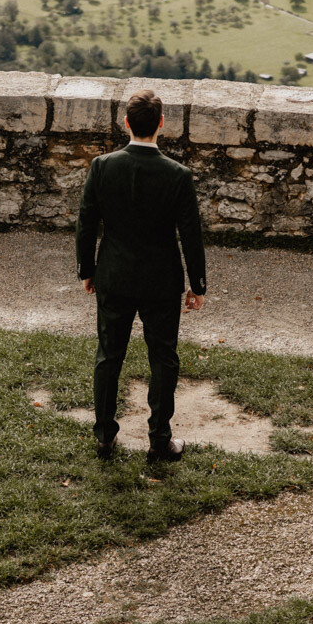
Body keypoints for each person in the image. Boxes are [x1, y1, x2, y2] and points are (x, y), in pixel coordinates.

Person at [76, 88, 206, 464]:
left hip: (113, 274)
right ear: (162, 123)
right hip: (161, 279)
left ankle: (104, 436)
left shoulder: (102, 166)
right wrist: (197, 284)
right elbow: (191, 235)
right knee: (163, 357)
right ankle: (159, 440)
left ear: (126, 123)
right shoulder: (178, 175)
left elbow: (86, 224)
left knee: (108, 355)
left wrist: (88, 270)